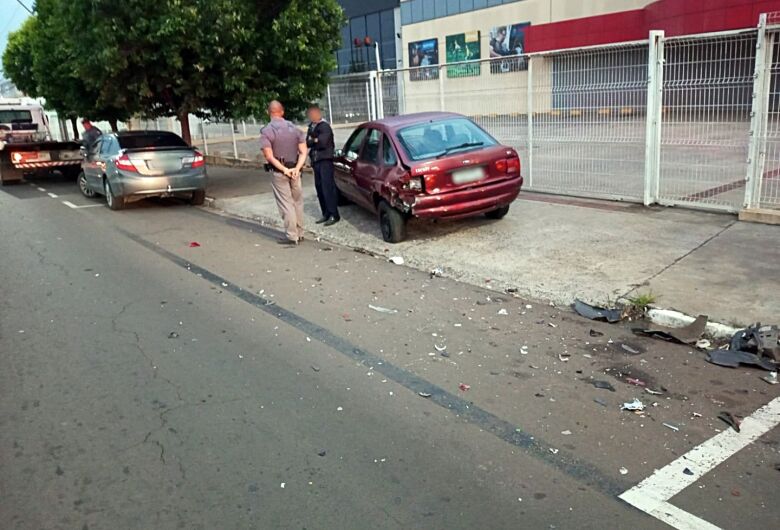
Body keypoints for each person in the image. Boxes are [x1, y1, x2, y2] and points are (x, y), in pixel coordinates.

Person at [260, 101, 308, 246]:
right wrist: (297, 168)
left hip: (280, 172)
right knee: (297, 202)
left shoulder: (267, 131)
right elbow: (303, 151)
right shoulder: (294, 128)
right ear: (282, 112)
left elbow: (269, 156)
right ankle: (300, 233)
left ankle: (292, 236)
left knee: (286, 203)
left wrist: (284, 169)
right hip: (295, 170)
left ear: (269, 113)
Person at [306, 104, 339, 226]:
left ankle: (333, 214)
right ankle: (325, 213)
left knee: (327, 188)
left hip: (325, 160)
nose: (311, 117)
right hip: (316, 161)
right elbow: (308, 142)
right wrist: (314, 140)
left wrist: (314, 140)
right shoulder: (311, 127)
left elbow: (322, 143)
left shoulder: (325, 127)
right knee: (319, 188)